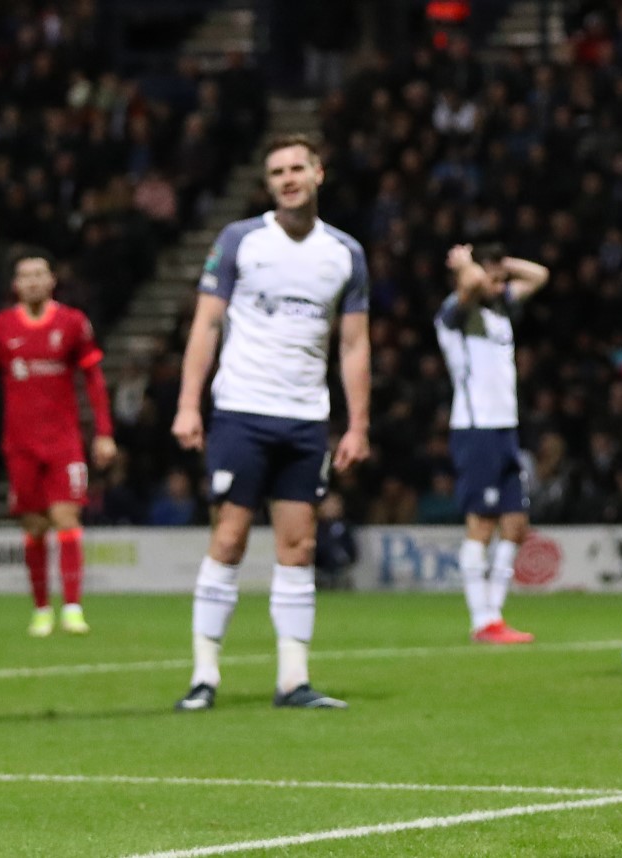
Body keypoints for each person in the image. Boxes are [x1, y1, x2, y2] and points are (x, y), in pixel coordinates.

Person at [170, 134, 370, 711]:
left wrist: (357, 424)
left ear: (318, 174)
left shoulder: (345, 253)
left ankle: (293, 681)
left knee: (299, 545)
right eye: (277, 171)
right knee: (228, 538)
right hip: (242, 412)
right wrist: (189, 403)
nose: (288, 178)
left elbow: (354, 344)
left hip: (305, 418)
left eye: (297, 168)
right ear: (269, 183)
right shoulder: (240, 241)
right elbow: (205, 326)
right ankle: (204, 676)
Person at [0, 248, 116, 636]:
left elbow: (94, 380)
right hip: (20, 444)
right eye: (25, 276)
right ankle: (42, 608)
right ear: (16, 286)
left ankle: (73, 607)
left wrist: (103, 433)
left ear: (51, 281)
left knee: (67, 518)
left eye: (39, 274)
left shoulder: (72, 323)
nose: (32, 281)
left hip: (64, 442)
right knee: (33, 528)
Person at [434, 242, 548, 644]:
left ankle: (496, 616)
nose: (500, 285)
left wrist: (500, 265)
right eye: (493, 278)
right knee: (481, 525)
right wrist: (468, 265)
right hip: (475, 428)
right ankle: (482, 620)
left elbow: (539, 275)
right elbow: (472, 284)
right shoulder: (455, 313)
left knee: (515, 525)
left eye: (502, 280)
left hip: (505, 429)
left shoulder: (500, 311)